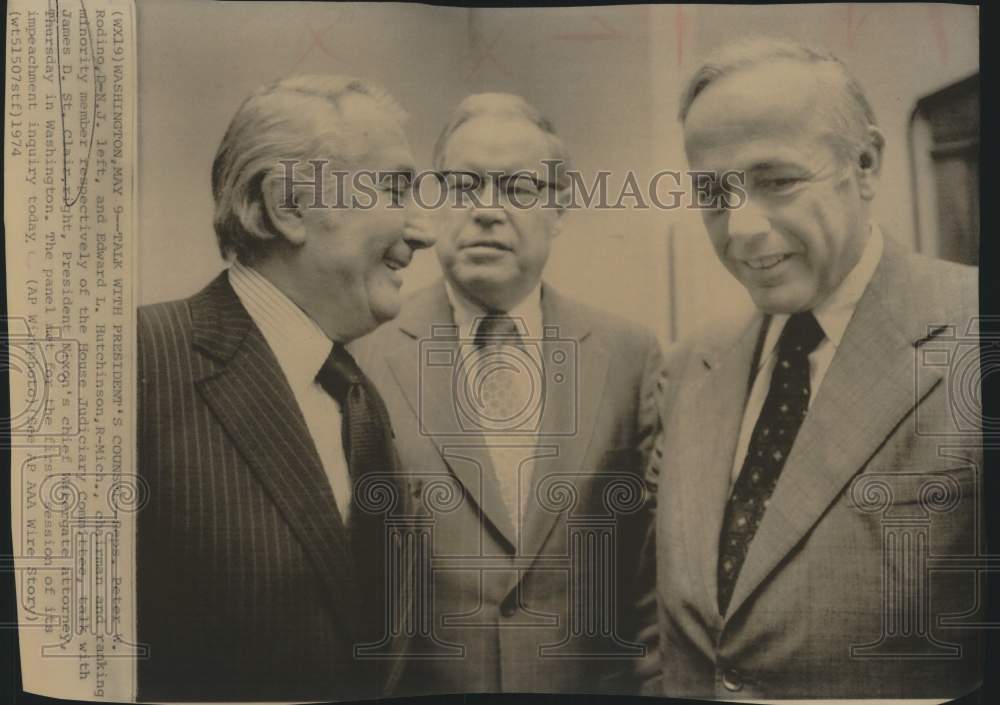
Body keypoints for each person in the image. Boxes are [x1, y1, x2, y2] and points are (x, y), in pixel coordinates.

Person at [647, 39, 982, 699]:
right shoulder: (690, 365)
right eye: (713, 191)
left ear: (865, 164)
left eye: (776, 180)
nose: (740, 228)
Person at [135, 75, 435, 701]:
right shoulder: (135, 362)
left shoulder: (359, 400)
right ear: (287, 207)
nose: (423, 229)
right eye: (394, 188)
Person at [352, 93, 662, 695]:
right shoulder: (365, 353)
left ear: (559, 208)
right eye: (463, 186)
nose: (487, 211)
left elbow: (653, 578)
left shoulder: (630, 355)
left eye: (518, 189)